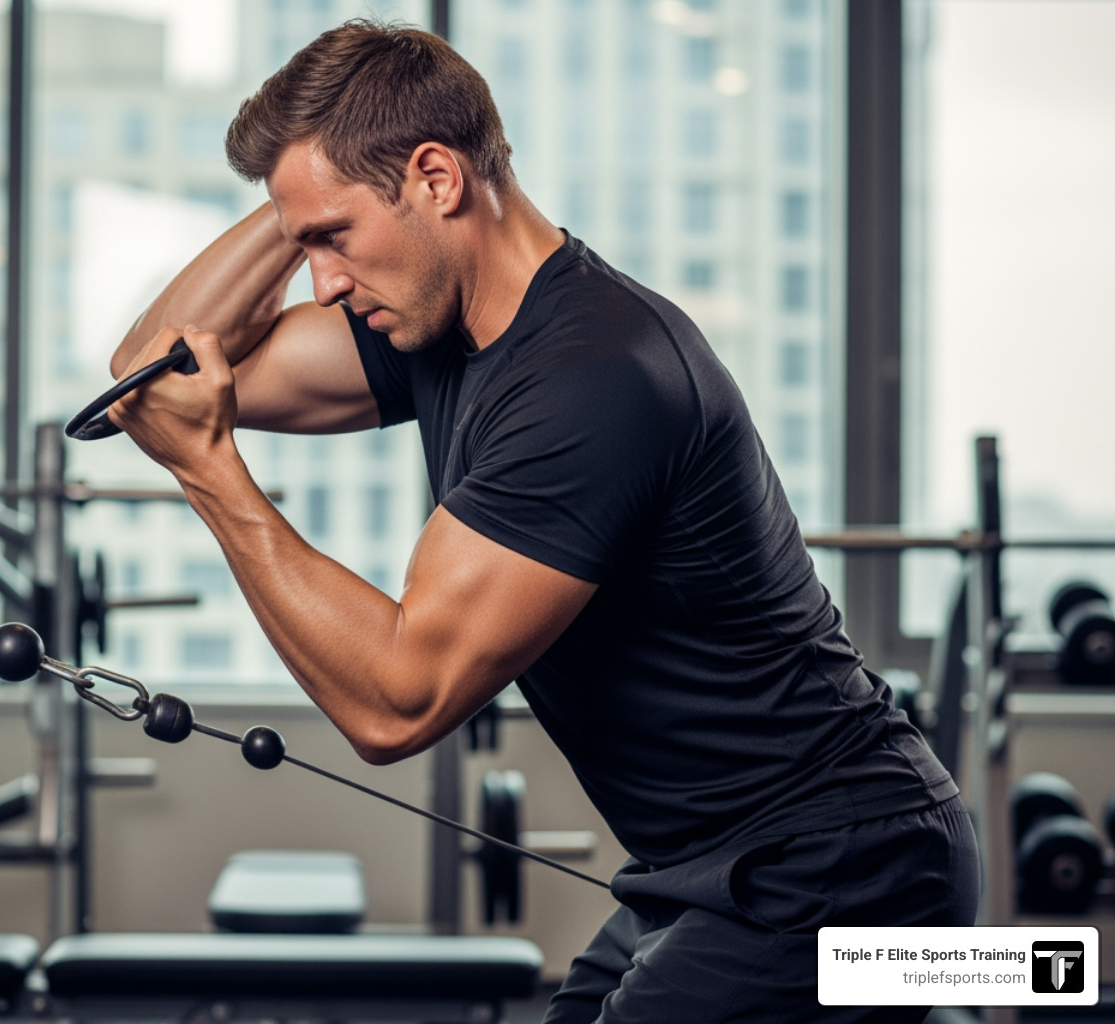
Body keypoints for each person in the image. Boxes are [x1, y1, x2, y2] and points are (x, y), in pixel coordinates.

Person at [102, 19, 977, 1024]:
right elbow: (155, 371)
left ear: (438, 179)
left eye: (333, 238)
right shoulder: (438, 323)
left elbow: (399, 699)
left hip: (851, 878)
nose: (323, 283)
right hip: (709, 869)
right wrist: (312, 191)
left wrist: (210, 471)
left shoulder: (594, 377)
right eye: (306, 246)